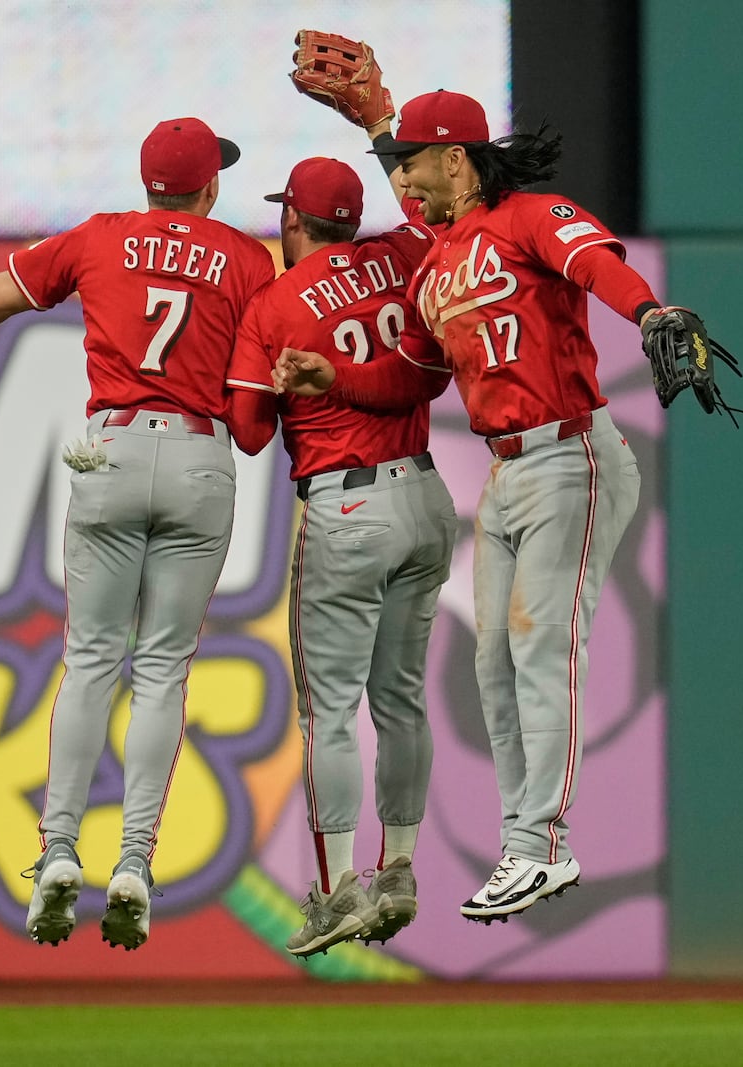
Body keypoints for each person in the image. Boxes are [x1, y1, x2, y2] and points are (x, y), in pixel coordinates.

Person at [0, 117, 276, 950]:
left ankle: (59, 847)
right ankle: (135, 858)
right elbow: (270, 368)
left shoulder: (100, 238)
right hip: (202, 456)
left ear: (147, 183)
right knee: (164, 666)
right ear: (210, 188)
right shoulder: (244, 258)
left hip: (113, 446)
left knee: (93, 657)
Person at [276, 89, 664, 923]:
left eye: (411, 162)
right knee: (494, 665)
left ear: (456, 159)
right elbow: (407, 377)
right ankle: (523, 840)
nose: (403, 182)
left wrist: (651, 311)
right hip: (507, 470)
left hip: (572, 452)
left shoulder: (528, 216)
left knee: (542, 645)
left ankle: (540, 845)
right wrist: (332, 378)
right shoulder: (437, 265)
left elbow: (598, 262)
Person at [225, 157, 455, 955]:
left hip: (347, 505)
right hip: (425, 495)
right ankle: (399, 870)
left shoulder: (275, 303)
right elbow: (442, 217)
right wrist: (384, 135)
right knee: (400, 700)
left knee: (330, 711)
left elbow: (251, 433)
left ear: (293, 219)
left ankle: (336, 891)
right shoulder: (405, 250)